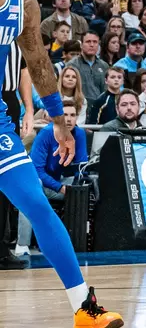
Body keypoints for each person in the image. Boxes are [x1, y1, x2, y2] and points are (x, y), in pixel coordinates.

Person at [0, 0, 122, 325]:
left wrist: (59, 122)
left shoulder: (23, 3)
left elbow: (38, 63)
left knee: (37, 203)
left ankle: (85, 309)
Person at [16, 99, 88, 250]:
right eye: (64, 115)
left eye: (72, 115)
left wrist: (79, 186)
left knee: (88, 185)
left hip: (57, 181)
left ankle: (78, 241)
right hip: (35, 181)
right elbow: (36, 171)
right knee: (31, 191)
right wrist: (59, 187)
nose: (69, 119)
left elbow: (81, 167)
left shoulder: (79, 134)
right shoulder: (46, 133)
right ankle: (22, 245)